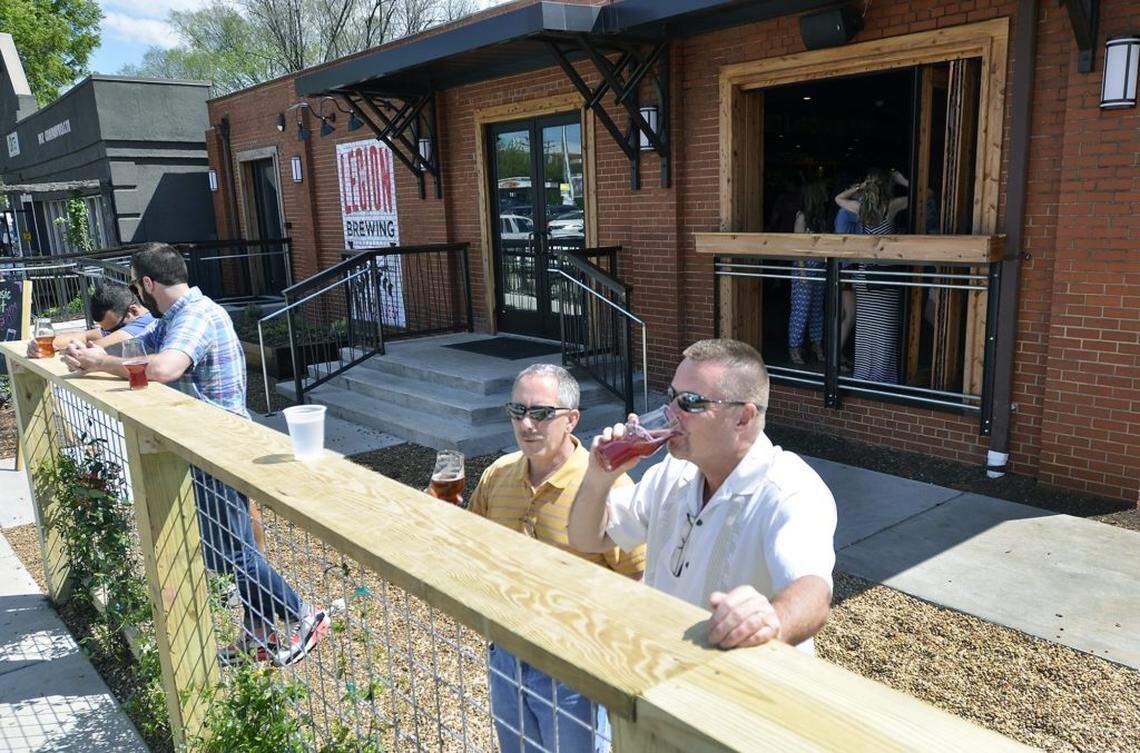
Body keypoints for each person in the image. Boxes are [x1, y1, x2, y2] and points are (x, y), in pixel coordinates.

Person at [60, 242, 329, 667]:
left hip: (218, 445)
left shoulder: (196, 316)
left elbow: (166, 368)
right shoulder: (175, 318)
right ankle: (258, 632)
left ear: (148, 283)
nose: (136, 295)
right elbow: (134, 346)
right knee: (227, 549)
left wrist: (97, 364)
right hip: (204, 445)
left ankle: (304, 614)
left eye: (135, 286)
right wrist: (90, 353)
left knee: (235, 551)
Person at [568, 339, 836, 654]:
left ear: (744, 418)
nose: (670, 412)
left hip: (736, 691)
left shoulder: (790, 489)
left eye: (690, 402)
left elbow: (813, 593)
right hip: (664, 673)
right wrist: (599, 478)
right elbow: (588, 538)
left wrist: (770, 621)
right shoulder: (671, 474)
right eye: (671, 396)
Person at [468, 363, 645, 753]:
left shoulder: (606, 486)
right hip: (506, 650)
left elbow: (638, 580)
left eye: (542, 413)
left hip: (573, 666)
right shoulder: (498, 476)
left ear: (572, 420)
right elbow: (472, 547)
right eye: (518, 411)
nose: (527, 424)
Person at [835, 168, 910, 384]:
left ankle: (864, 375)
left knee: (866, 329)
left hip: (864, 274)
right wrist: (902, 180)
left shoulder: (861, 209)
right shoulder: (891, 206)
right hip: (885, 274)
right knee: (885, 329)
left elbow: (838, 198)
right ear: (887, 187)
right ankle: (882, 378)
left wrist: (859, 187)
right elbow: (925, 195)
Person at [27, 282, 154, 357]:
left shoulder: (147, 321)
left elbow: (94, 348)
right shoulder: (124, 321)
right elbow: (85, 336)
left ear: (133, 311)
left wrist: (56, 349)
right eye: (108, 330)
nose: (110, 333)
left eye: (115, 328)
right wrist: (42, 345)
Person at [787, 180, 830, 366]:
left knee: (816, 310)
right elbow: (797, 247)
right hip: (804, 268)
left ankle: (816, 344)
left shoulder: (820, 218)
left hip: (819, 268)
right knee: (801, 311)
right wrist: (802, 271)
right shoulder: (802, 216)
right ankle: (794, 347)